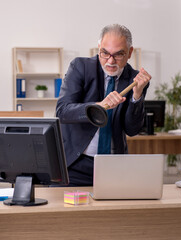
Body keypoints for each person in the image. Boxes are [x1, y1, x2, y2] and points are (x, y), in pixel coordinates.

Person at [56, 24, 152, 186]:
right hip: (75, 164)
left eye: (118, 54)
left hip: (114, 167)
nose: (110, 61)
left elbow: (132, 130)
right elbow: (62, 111)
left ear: (129, 52)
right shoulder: (80, 67)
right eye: (105, 53)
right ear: (99, 48)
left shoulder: (136, 79)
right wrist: (98, 106)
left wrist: (136, 96)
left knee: (112, 212)